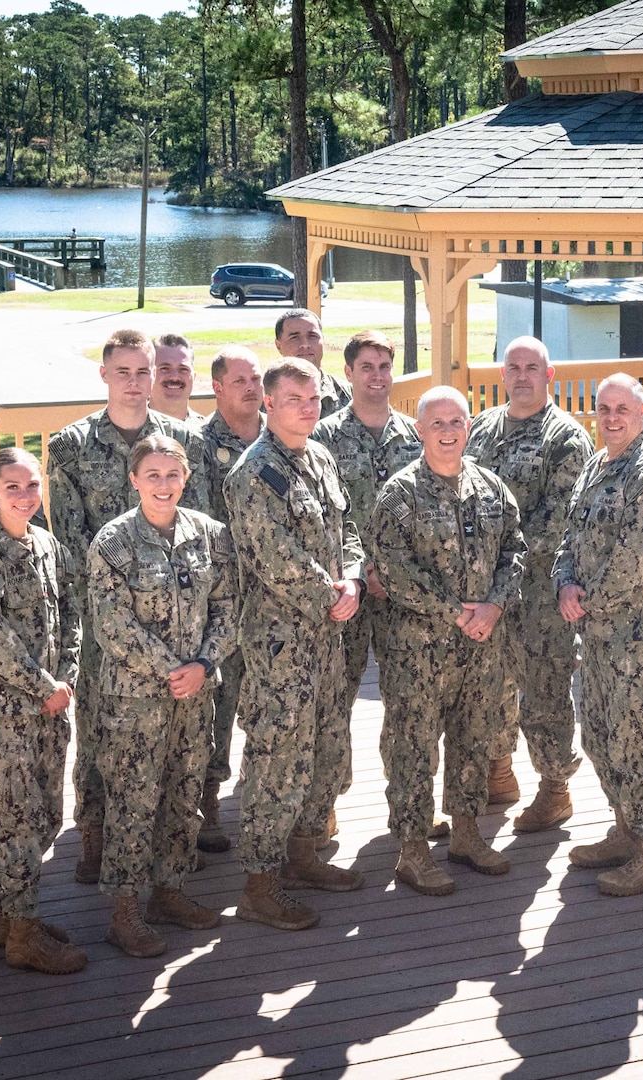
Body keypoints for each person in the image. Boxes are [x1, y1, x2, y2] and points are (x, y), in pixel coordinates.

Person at [46, 328, 208, 884]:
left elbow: (199, 524)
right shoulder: (71, 445)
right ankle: (94, 832)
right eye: (125, 372)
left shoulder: (182, 440)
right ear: (105, 375)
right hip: (103, 620)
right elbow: (67, 539)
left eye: (145, 371)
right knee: (98, 727)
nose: (137, 383)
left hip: (177, 616)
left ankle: (167, 846)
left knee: (177, 733)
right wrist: (107, 616)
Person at [223, 359, 366, 930]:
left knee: (327, 746)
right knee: (277, 758)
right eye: (294, 399)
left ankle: (304, 854)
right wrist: (331, 592)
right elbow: (274, 556)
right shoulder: (252, 473)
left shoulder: (322, 457)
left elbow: (348, 528)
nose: (308, 407)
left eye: (314, 398)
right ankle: (261, 882)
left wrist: (354, 576)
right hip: (282, 643)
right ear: (268, 403)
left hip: (330, 635)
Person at [371, 386, 526, 895]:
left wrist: (496, 604)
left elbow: (514, 552)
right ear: (419, 431)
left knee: (472, 739)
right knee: (413, 745)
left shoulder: (491, 488)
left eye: (456, 421)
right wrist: (456, 613)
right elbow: (393, 567)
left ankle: (465, 832)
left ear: (467, 427)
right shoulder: (399, 494)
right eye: (436, 423)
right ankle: (412, 849)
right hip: (418, 648)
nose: (447, 431)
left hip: (480, 645)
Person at [87, 435, 234, 957]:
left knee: (184, 793)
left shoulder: (209, 535)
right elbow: (111, 623)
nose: (164, 485)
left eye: (173, 475)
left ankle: (169, 893)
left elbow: (227, 605)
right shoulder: (113, 542)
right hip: (136, 700)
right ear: (134, 480)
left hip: (196, 695)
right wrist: (175, 669)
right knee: (133, 801)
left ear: (187, 477)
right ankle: (124, 913)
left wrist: (203, 664)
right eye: (153, 475)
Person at [553, 374, 643, 896]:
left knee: (640, 741)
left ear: (640, 411)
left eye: (622, 409)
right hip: (598, 631)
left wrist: (583, 600)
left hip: (640, 636)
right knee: (600, 737)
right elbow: (572, 535)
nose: (611, 417)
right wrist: (565, 582)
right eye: (603, 408)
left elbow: (636, 559)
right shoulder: (599, 461)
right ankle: (628, 829)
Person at [0, 447, 85, 974]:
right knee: (11, 825)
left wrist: (68, 677)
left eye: (33, 485)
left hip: (51, 710)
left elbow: (71, 613)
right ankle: (24, 937)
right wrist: (45, 685)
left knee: (43, 818)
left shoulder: (47, 545)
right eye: (13, 487)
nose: (26, 496)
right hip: (1, 717)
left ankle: (11, 917)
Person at [465, 336, 593, 831]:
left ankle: (555, 788)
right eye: (513, 367)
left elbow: (555, 522)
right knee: (489, 686)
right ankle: (500, 771)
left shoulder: (565, 438)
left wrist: (494, 563)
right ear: (502, 375)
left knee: (544, 693)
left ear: (549, 375)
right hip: (488, 592)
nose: (522, 376)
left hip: (539, 594)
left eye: (532, 367)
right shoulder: (484, 428)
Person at [310, 330, 424, 835]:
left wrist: (396, 573)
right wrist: (360, 572)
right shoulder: (324, 439)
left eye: (384, 366)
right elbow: (319, 520)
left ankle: (410, 803)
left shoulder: (415, 437)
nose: (377, 376)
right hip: (347, 591)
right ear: (349, 372)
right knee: (337, 696)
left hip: (405, 596)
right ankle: (328, 799)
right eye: (367, 367)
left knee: (409, 700)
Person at [194, 346, 265, 853]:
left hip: (275, 602)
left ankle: (269, 803)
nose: (250, 388)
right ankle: (207, 804)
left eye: (256, 378)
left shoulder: (281, 435)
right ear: (217, 387)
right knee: (217, 708)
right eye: (238, 380)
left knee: (269, 705)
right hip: (219, 602)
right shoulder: (196, 445)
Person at [274, 308, 352, 418]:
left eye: (312, 336)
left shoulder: (350, 396)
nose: (305, 344)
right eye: (294, 337)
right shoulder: (264, 398)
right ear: (278, 345)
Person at [148, 333, 202, 424]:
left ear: (194, 377)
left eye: (183, 369)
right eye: (165, 368)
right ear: (149, 375)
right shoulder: (128, 431)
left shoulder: (210, 435)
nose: (175, 377)